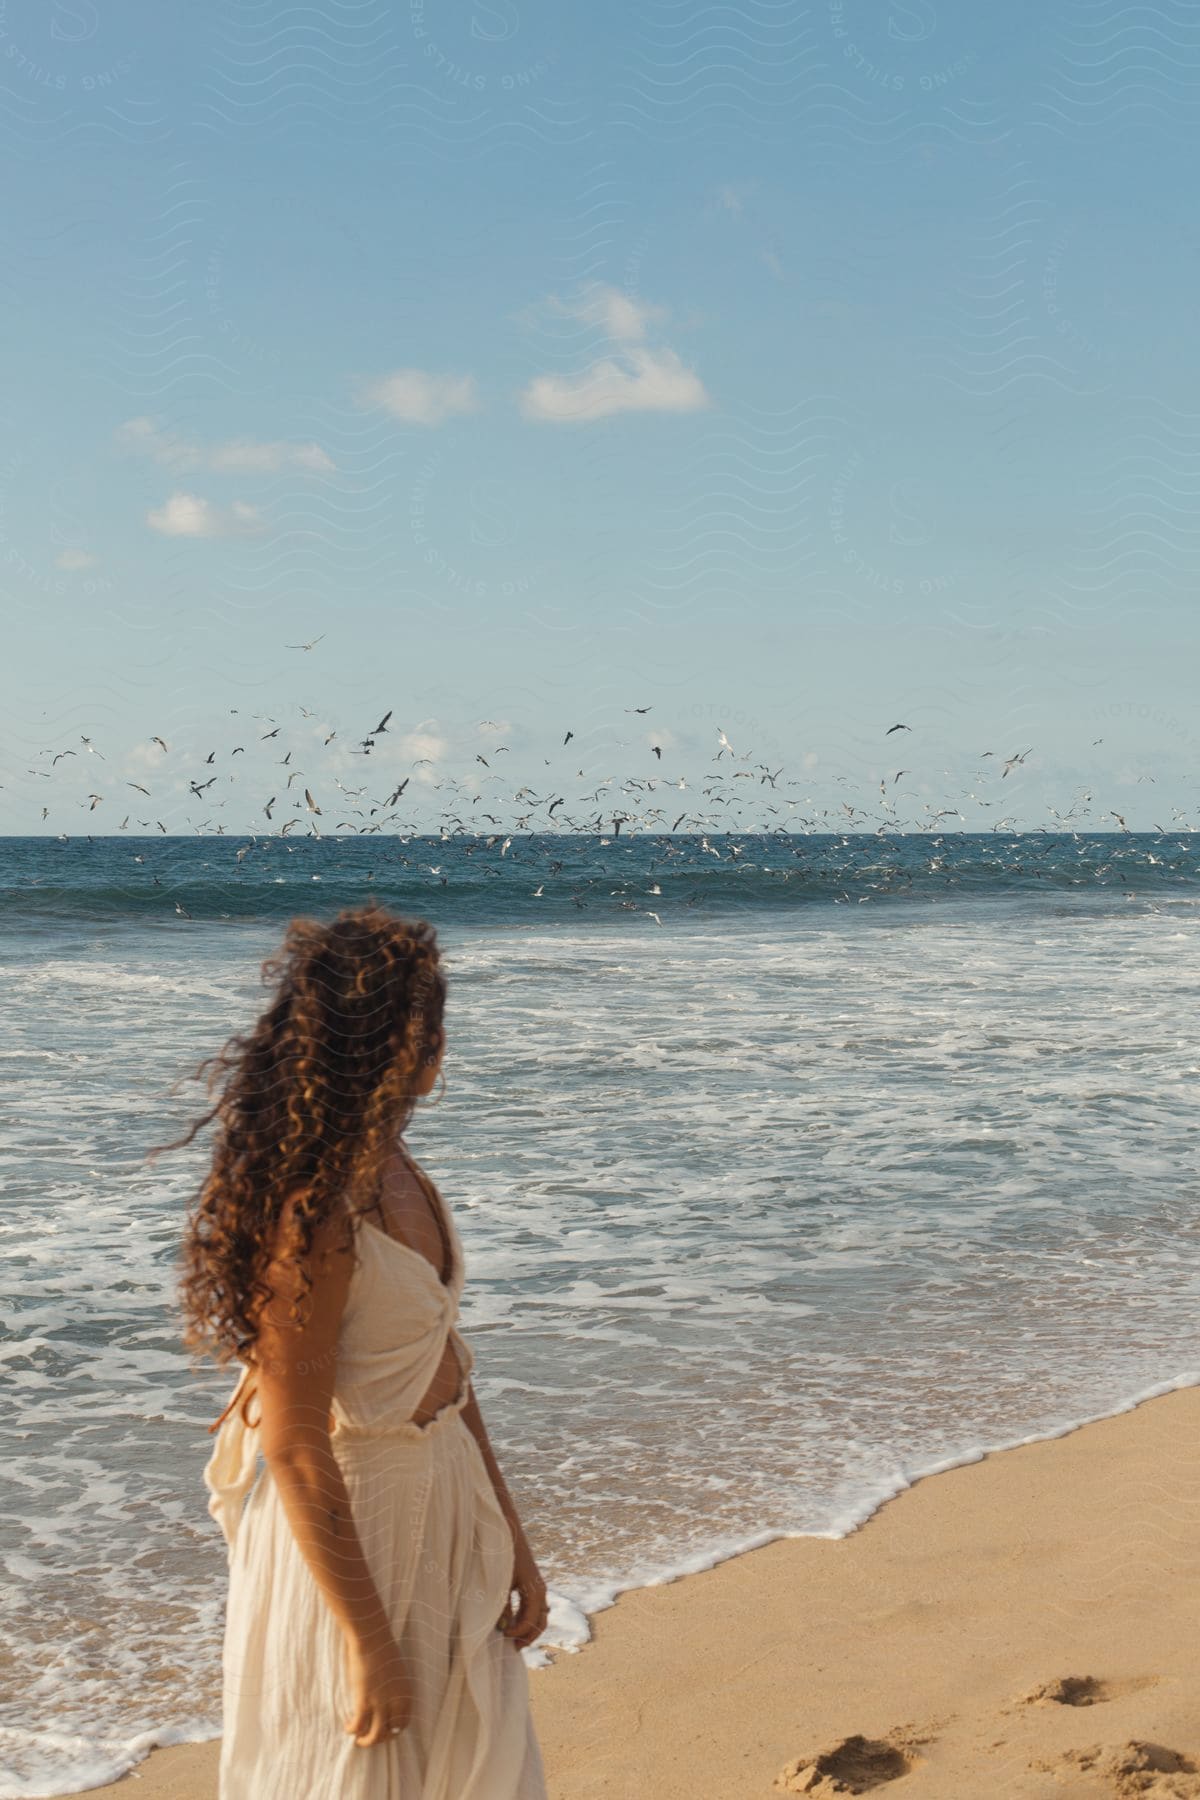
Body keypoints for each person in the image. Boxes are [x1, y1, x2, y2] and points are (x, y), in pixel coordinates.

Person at [155, 902, 550, 1797]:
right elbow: (293, 1447)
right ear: (376, 1045)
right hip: (355, 1536)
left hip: (442, 1500)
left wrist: (513, 1540)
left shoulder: (400, 1169)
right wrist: (366, 1641)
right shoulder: (318, 1214)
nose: (441, 1047)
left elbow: (445, 1368)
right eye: (424, 1026)